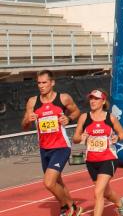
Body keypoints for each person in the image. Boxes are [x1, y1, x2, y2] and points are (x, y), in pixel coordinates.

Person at [21, 70, 82, 216]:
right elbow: (24, 125)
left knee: (48, 182)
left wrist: (69, 119)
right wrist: (27, 120)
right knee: (57, 182)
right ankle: (70, 206)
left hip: (61, 146)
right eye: (39, 83)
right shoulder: (32, 102)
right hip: (44, 148)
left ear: (52, 82)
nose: (41, 86)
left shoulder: (63, 98)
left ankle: (69, 207)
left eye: (44, 82)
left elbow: (76, 112)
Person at [73, 90, 123, 216]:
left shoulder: (110, 118)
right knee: (106, 192)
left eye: (96, 99)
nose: (92, 101)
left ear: (103, 101)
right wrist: (82, 136)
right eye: (91, 98)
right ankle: (121, 204)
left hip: (108, 158)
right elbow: (75, 138)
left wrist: (117, 138)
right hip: (91, 160)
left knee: (98, 192)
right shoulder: (84, 117)